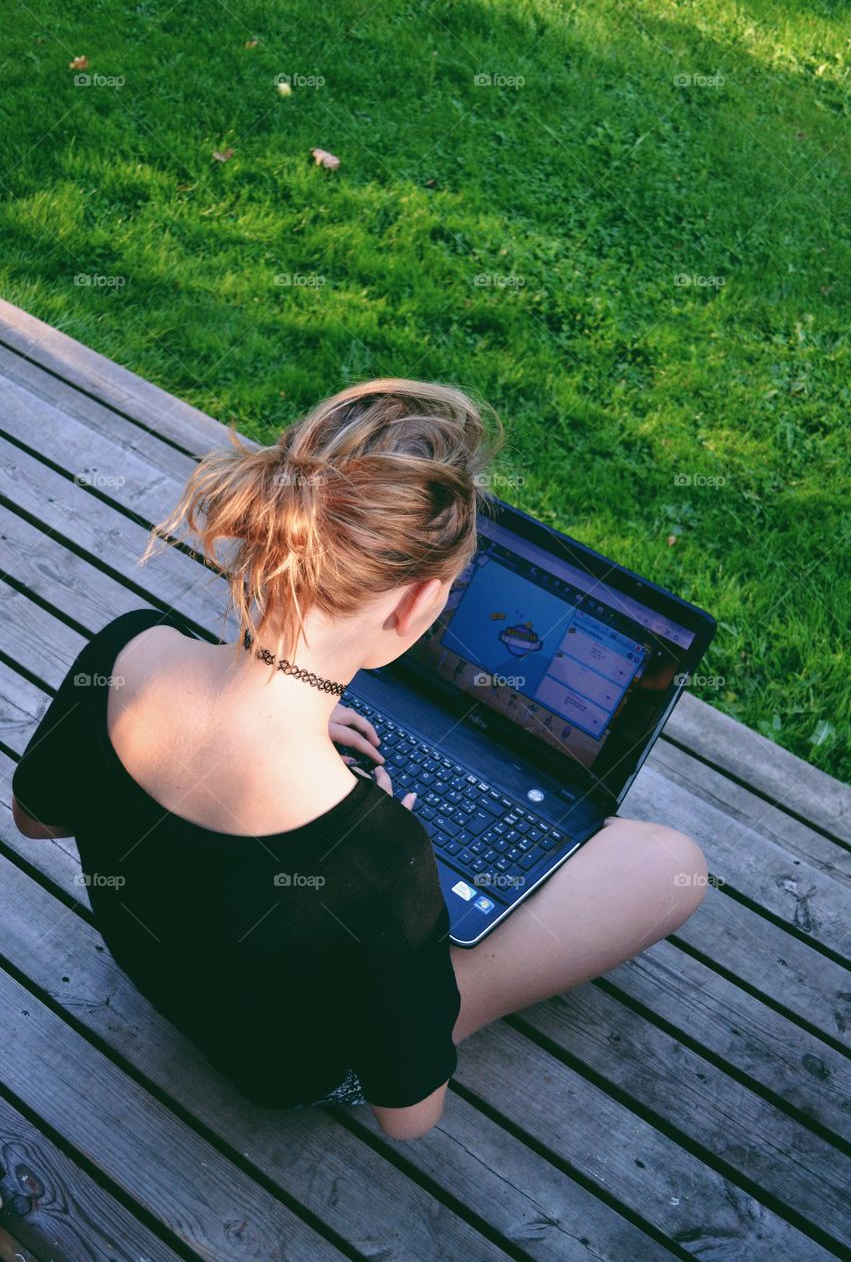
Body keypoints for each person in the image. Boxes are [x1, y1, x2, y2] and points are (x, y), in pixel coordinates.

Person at [11, 377, 708, 1141]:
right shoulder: (377, 852)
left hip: (151, 968)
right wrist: (400, 891)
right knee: (666, 861)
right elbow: (408, 1117)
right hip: (285, 1072)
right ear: (415, 607)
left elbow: (36, 820)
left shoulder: (123, 651)